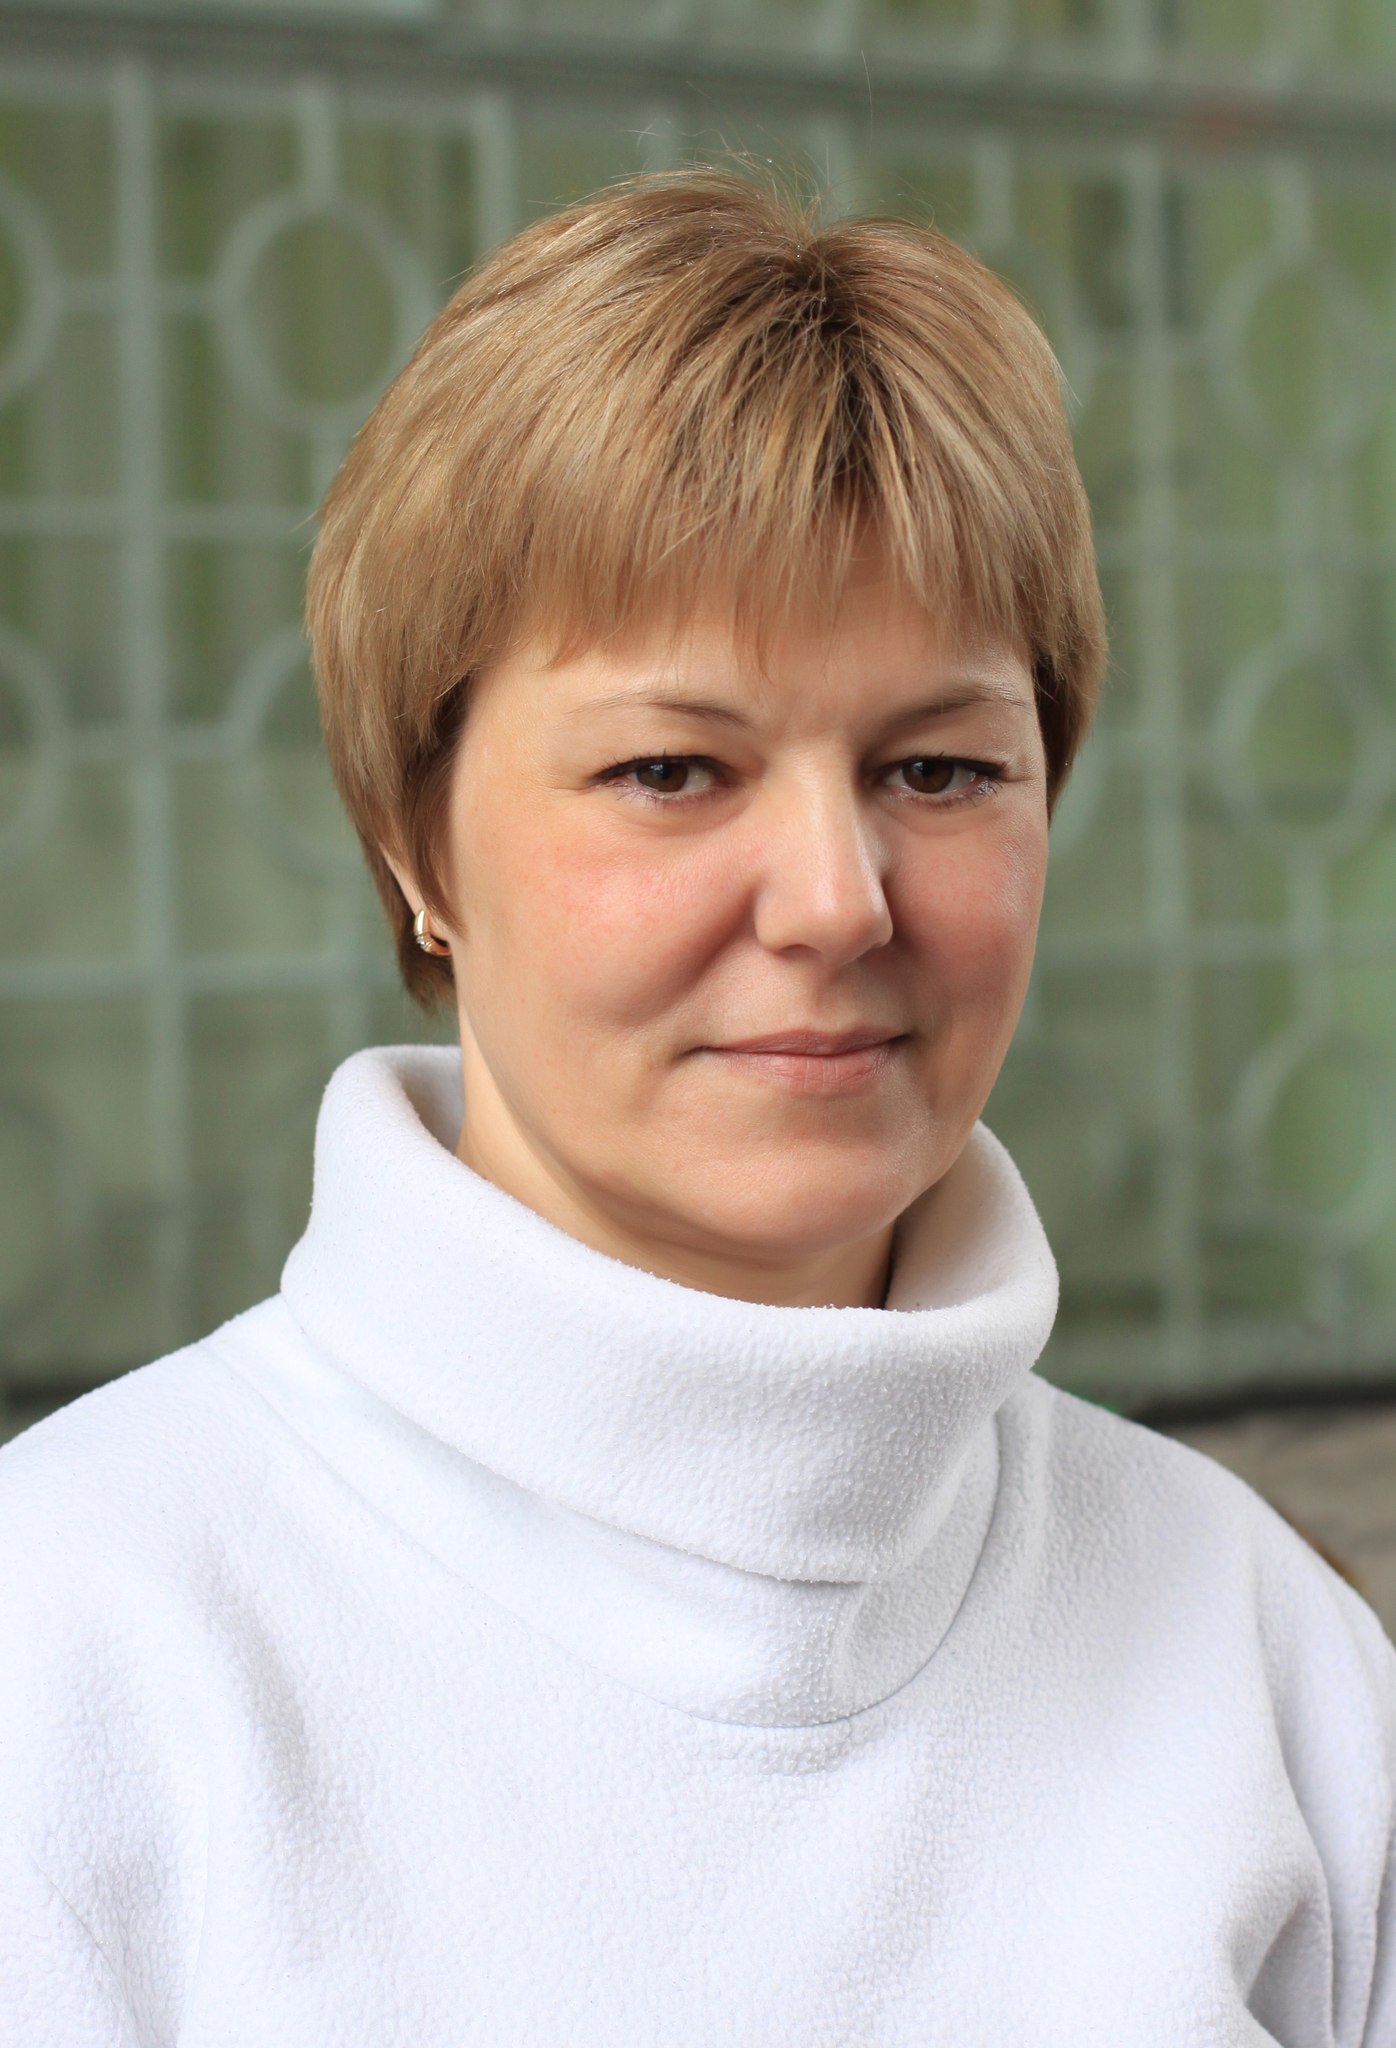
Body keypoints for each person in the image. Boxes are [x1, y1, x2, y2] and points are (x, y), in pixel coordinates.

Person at [1, 163, 1392, 2047]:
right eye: (672, 769)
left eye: (940, 769)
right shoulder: (73, 1649)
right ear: (414, 840)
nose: (836, 900)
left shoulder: (1256, 1647)